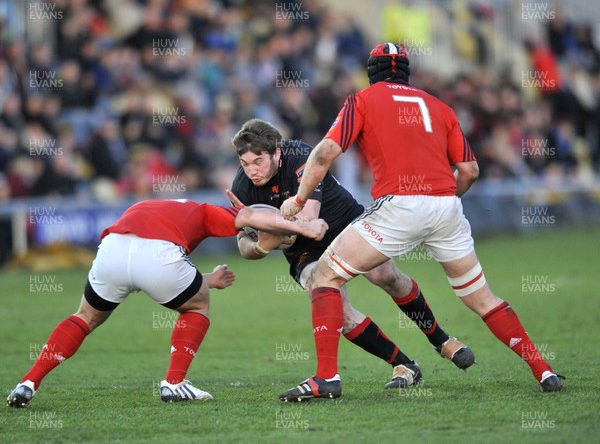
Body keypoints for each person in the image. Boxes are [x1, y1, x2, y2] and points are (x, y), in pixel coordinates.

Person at [279, 43, 564, 401]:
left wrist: (299, 198)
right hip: (446, 206)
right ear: (407, 73)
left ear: (371, 73)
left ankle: (326, 379)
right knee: (482, 298)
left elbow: (323, 152)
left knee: (325, 276)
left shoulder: (362, 100)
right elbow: (470, 171)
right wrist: (443, 200)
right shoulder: (440, 106)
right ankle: (544, 370)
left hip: (399, 206)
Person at [228, 118, 475, 392]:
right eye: (245, 163)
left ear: (276, 152)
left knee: (385, 274)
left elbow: (311, 220)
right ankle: (404, 365)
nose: (252, 171)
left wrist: (275, 227)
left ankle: (441, 341)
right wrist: (261, 246)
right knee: (338, 313)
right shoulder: (241, 189)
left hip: (345, 222)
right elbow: (244, 247)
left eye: (258, 161)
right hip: (304, 250)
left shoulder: (301, 156)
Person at [7, 198, 328, 408]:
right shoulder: (205, 212)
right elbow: (245, 217)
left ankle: (28, 382)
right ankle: (174, 383)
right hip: (158, 255)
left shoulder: (156, 203)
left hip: (113, 248)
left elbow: (146, 261)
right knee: (197, 307)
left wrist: (207, 279)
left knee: (85, 316)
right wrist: (300, 227)